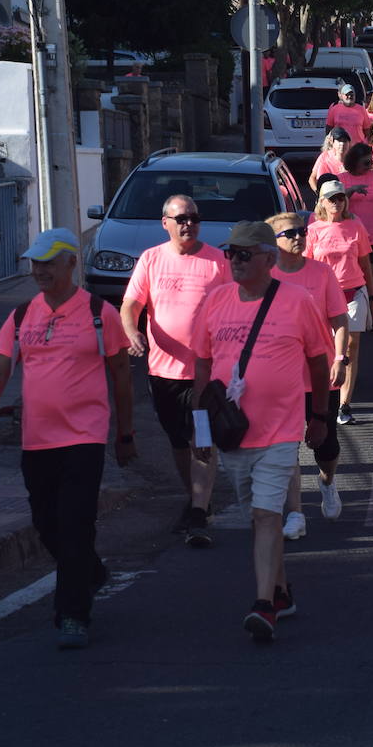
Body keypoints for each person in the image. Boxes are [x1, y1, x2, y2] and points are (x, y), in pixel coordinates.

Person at [0, 229, 134, 649]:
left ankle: (72, 613)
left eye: (48, 263)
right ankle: (89, 572)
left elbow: (121, 377)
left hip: (84, 438)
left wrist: (125, 432)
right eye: (35, 263)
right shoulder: (22, 315)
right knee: (46, 524)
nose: (39, 271)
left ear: (70, 263)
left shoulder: (98, 312)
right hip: (37, 440)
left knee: (75, 524)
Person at [192, 221, 331, 642]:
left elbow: (319, 363)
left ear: (269, 259)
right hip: (232, 433)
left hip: (281, 430)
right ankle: (282, 592)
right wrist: (201, 432)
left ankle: (263, 606)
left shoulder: (298, 301)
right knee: (259, 517)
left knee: (266, 515)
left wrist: (320, 417)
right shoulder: (215, 301)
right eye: (230, 252)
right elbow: (201, 364)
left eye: (244, 253)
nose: (234, 260)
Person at [120, 195, 227, 546]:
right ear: (164, 222)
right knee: (178, 441)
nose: (188, 225)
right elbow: (130, 305)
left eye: (194, 218)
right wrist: (132, 330)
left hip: (205, 373)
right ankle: (197, 498)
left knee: (202, 438)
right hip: (163, 372)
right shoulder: (151, 259)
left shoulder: (216, 262)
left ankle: (198, 510)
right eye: (181, 218)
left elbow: (234, 308)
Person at [267, 213, 349, 540]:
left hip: (319, 373)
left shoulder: (322, 273)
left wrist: (341, 358)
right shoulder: (266, 276)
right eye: (290, 233)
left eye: (302, 231)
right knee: (285, 447)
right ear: (273, 241)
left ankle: (327, 481)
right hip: (280, 377)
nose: (299, 237)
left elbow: (340, 319)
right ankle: (296, 513)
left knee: (324, 445)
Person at [306, 180, 373, 426]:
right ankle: (325, 396)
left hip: (353, 291)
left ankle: (344, 404)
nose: (336, 202)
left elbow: (366, 264)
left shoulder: (355, 225)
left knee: (349, 346)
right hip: (323, 295)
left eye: (340, 198)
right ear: (322, 202)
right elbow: (307, 266)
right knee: (325, 347)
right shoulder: (313, 229)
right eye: (331, 198)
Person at [337, 143, 373, 328]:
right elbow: (334, 204)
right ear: (354, 162)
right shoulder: (341, 179)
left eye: (371, 161)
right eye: (366, 162)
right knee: (355, 272)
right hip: (348, 236)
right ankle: (355, 310)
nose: (370, 165)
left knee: (372, 270)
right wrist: (351, 191)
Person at [309, 128, 351, 194]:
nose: (342, 144)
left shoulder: (353, 158)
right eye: (339, 140)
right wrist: (319, 193)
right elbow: (312, 178)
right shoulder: (325, 156)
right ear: (332, 141)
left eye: (345, 141)